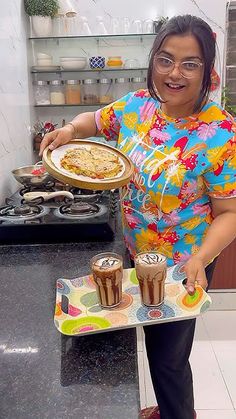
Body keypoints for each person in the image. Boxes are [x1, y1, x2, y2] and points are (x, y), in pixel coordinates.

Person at [40, 15, 236, 419]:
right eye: (165, 60)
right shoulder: (139, 106)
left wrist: (200, 259)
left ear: (208, 70)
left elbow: (230, 213)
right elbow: (95, 120)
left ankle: (178, 414)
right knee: (151, 342)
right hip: (134, 253)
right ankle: (167, 410)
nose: (174, 73)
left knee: (169, 357)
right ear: (153, 62)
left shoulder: (221, 135)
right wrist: (69, 131)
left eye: (190, 63)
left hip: (184, 264)